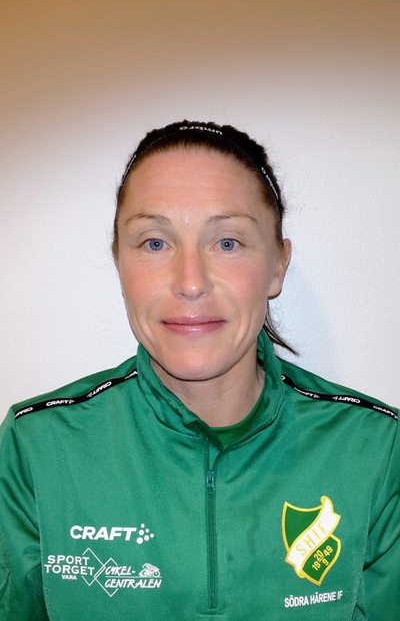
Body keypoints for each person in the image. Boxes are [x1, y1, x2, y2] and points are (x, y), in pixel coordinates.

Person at [0, 120, 399, 620]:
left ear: (277, 265)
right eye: (154, 243)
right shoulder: (37, 448)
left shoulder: (376, 449)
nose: (190, 282)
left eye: (227, 242)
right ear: (119, 262)